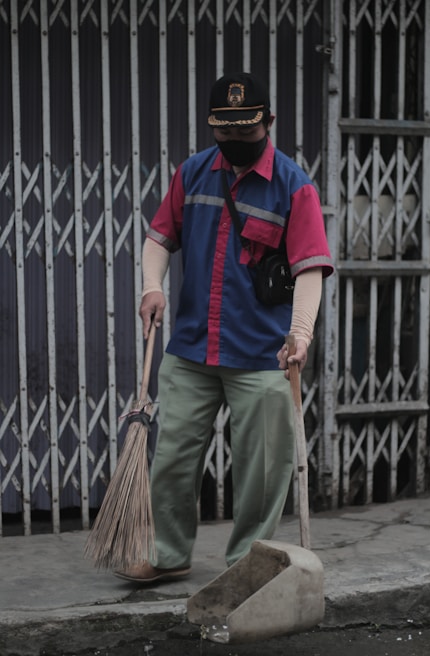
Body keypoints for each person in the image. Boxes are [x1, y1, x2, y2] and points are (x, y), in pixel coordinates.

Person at [115, 72, 334, 583]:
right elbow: (158, 238)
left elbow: (310, 270)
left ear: (268, 123)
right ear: (212, 126)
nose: (235, 141)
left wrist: (299, 334)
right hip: (191, 348)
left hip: (262, 354)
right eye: (224, 131)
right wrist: (152, 286)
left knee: (262, 471)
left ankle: (246, 563)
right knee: (171, 458)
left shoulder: (293, 186)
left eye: (245, 131)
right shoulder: (192, 173)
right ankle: (169, 554)